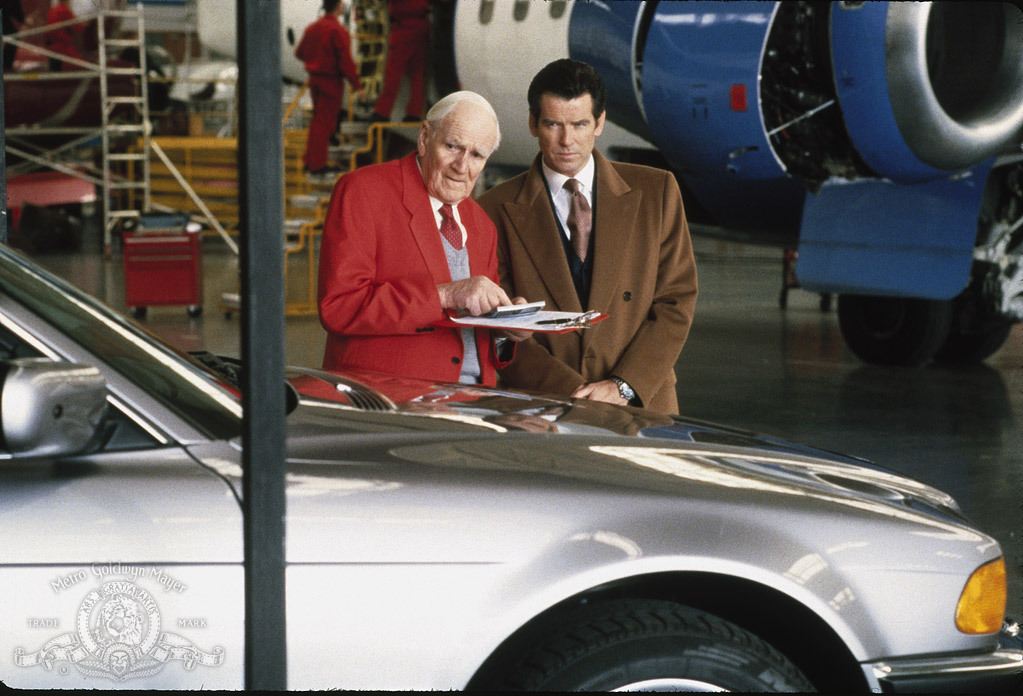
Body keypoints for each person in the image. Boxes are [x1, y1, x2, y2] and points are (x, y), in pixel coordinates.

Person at [477, 59, 698, 414]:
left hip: (643, 402)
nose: (567, 141)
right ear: (533, 124)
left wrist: (623, 387)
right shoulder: (493, 208)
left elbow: (676, 302)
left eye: (580, 124)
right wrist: (573, 394)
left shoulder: (657, 191)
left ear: (600, 123)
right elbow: (498, 328)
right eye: (553, 124)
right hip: (545, 405)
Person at [318, 91, 530, 386]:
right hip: (390, 400)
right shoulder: (363, 191)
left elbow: (471, 338)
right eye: (453, 146)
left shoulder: (481, 224)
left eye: (477, 155)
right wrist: (445, 295)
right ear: (424, 138)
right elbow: (339, 308)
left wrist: (507, 330)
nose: (462, 166)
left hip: (475, 403)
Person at [295, 0, 365, 175]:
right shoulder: (337, 31)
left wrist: (315, 61)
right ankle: (317, 165)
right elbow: (345, 62)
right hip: (331, 82)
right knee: (324, 124)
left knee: (317, 121)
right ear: (337, 6)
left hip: (315, 80)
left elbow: (299, 53)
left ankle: (310, 160)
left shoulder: (312, 28)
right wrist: (358, 86)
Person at [370, 0, 430, 123]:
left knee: (394, 71)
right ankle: (414, 113)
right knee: (417, 72)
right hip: (422, 24)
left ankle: (382, 112)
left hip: (404, 26)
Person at [44, 0, 83, 71]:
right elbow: (77, 27)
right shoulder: (64, 10)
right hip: (61, 45)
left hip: (51, 45)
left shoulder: (53, 9)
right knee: (80, 66)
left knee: (55, 68)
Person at [3, 0, 25, 72]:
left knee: (13, 38)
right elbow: (15, 10)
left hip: (5, 20)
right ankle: (6, 66)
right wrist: (22, 19)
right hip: (5, 20)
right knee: (13, 38)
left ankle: (6, 65)